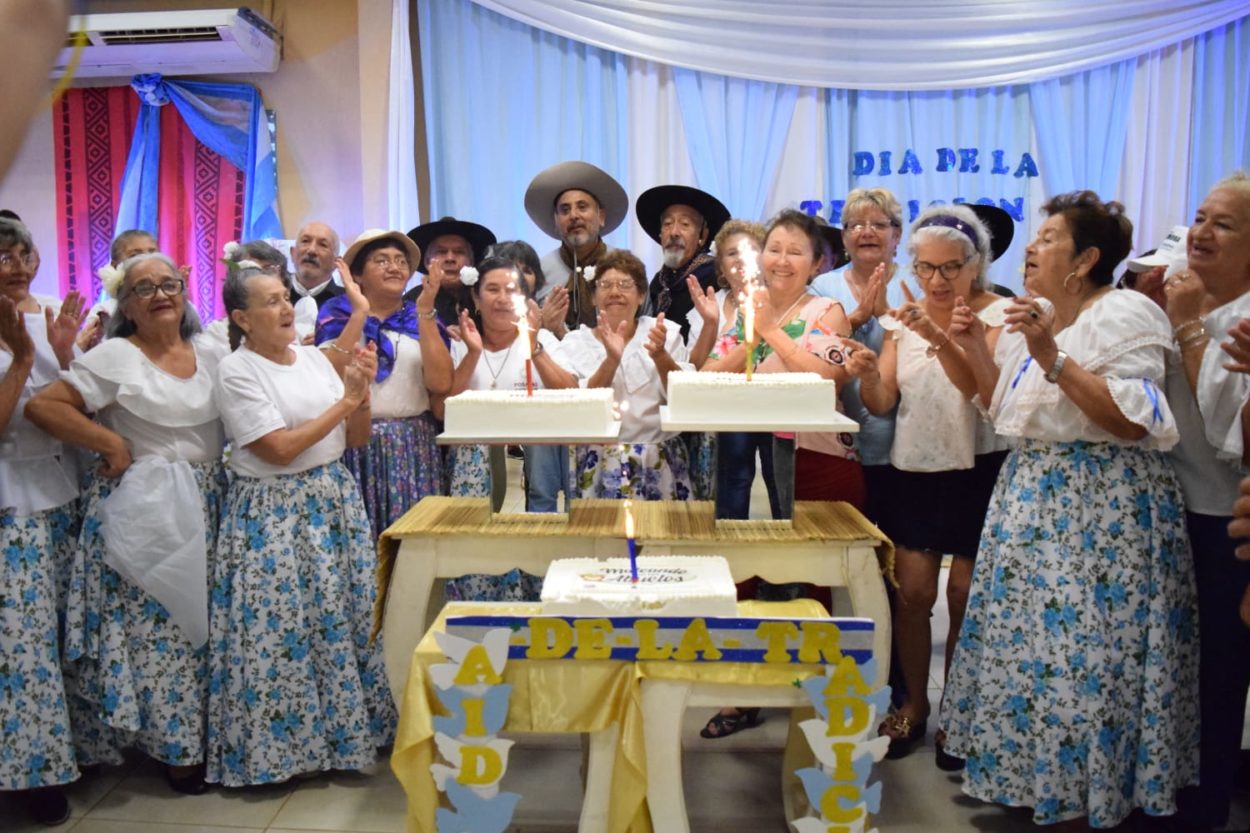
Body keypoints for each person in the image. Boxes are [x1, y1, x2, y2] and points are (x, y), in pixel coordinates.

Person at [938, 191, 1198, 828]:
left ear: (1085, 258)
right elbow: (1005, 410)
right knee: (1037, 651)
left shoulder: (1127, 313)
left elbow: (1129, 421)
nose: (1030, 247)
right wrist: (970, 344)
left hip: (1099, 511)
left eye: (1048, 238)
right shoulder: (1046, 316)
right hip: (1035, 499)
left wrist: (1052, 355)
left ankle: (1092, 795)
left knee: (1086, 655)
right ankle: (1039, 781)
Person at [26, 252, 229, 795]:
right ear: (127, 306)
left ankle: (211, 736)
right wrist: (111, 442)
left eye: (170, 284)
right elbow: (45, 408)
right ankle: (178, 749)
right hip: (149, 504)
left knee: (209, 625)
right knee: (161, 630)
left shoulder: (211, 349)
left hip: (213, 499)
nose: (160, 294)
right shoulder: (116, 356)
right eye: (144, 288)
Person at [208, 262, 392, 786]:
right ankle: (283, 753)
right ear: (242, 317)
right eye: (270, 301)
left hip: (330, 500)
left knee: (341, 620)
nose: (286, 307)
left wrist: (361, 395)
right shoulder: (237, 371)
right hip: (274, 512)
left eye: (286, 297)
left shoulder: (313, 358)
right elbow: (280, 449)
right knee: (283, 629)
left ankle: (349, 736)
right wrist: (347, 400)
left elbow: (354, 438)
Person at [844, 205, 1013, 767]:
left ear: (976, 265)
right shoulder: (904, 319)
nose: (937, 282)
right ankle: (914, 706)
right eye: (925, 269)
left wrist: (944, 338)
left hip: (980, 470)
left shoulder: (1004, 315)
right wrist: (869, 372)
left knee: (965, 594)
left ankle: (960, 715)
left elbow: (990, 399)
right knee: (913, 595)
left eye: (950, 268)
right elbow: (883, 402)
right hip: (915, 468)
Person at [1154, 173, 1250, 833]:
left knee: (1218, 667)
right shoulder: (1173, 294)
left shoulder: (1234, 321)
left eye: (1222, 224)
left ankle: (1207, 801)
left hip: (1226, 518)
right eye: (1198, 217)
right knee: (1173, 662)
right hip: (1168, 506)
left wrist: (1189, 329)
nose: (1199, 233)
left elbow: (1226, 432)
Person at [0, 219, 85, 825]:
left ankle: (74, 753)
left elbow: (76, 401)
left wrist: (61, 354)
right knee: (21, 649)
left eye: (21, 251)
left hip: (64, 495)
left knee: (63, 636)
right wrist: (23, 360)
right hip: (12, 505)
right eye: (1, 255)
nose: (15, 264)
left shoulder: (51, 313)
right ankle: (31, 776)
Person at [704, 209, 858, 509]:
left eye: (796, 252)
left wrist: (770, 331)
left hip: (816, 456)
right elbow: (708, 376)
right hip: (752, 452)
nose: (783, 261)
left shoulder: (827, 310)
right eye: (774, 250)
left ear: (816, 264)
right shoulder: (748, 310)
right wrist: (751, 339)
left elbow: (828, 383)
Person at [316, 229, 452, 539]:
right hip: (354, 440)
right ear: (358, 275)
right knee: (360, 537)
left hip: (413, 444)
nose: (395, 267)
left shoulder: (421, 315)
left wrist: (426, 313)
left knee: (413, 543)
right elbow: (327, 375)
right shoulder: (337, 313)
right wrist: (360, 313)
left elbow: (441, 383)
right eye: (382, 261)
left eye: (401, 261)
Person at [532, 249, 693, 500]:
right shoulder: (576, 342)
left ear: (641, 296)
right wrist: (612, 359)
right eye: (605, 285)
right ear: (594, 297)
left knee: (659, 535)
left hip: (657, 456)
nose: (615, 292)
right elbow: (583, 405)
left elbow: (683, 396)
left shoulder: (664, 332)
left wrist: (660, 355)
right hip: (599, 458)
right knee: (601, 537)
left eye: (625, 285)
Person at [442, 256, 552, 600]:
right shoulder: (458, 343)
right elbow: (442, 406)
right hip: (473, 470)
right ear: (476, 298)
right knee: (478, 558)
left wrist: (534, 346)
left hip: (531, 469)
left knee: (534, 560)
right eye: (492, 289)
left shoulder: (542, 341)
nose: (502, 298)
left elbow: (572, 393)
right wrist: (473, 353)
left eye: (511, 289)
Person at [809, 188, 910, 523]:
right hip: (836, 438)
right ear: (843, 236)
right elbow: (812, 351)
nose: (866, 232)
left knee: (895, 539)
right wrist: (856, 319)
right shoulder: (822, 288)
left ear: (897, 235)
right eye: (856, 225)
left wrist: (887, 315)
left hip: (903, 435)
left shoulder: (916, 285)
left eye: (879, 225)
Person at [685, 219, 780, 519]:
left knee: (779, 486)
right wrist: (711, 324)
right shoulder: (708, 305)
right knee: (733, 483)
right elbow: (696, 370)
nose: (741, 259)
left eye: (750, 250)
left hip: (777, 410)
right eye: (731, 253)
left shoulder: (781, 300)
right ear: (721, 267)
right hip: (728, 413)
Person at [524, 160, 628, 335]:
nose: (573, 216)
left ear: (601, 216)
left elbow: (642, 327)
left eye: (582, 207)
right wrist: (544, 325)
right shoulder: (539, 271)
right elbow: (525, 333)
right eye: (565, 210)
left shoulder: (625, 267)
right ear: (556, 222)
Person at [634, 185, 729, 340]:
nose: (674, 232)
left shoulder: (716, 275)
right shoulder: (659, 281)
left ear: (703, 236)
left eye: (685, 224)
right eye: (667, 224)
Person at [403, 216, 496, 328]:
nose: (450, 258)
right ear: (427, 262)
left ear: (471, 261)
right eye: (441, 252)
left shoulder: (485, 297)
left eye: (459, 252)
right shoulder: (412, 301)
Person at [288, 220, 344, 310]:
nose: (311, 250)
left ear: (336, 262)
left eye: (323, 245)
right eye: (305, 241)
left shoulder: (349, 304)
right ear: (292, 253)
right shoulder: (272, 296)